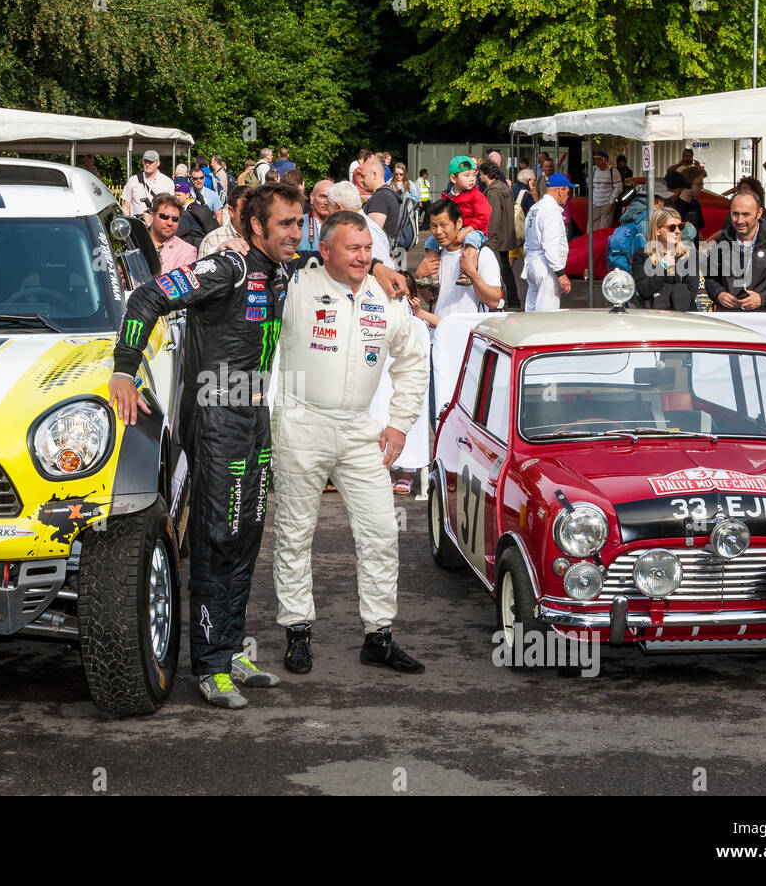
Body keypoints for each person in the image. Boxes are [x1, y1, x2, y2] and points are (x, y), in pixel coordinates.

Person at [109, 183, 304, 709]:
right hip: (215, 419)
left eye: (299, 222)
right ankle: (209, 666)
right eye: (285, 224)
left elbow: (335, 254)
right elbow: (146, 296)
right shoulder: (227, 267)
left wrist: (379, 269)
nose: (295, 232)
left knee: (246, 535)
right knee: (216, 538)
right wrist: (123, 371)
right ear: (256, 227)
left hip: (255, 415)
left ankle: (229, 649)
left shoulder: (282, 271)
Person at [272, 210, 428, 676]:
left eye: (367, 249)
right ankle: (296, 631)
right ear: (324, 252)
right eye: (352, 249)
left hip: (361, 429)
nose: (362, 257)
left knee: (382, 532)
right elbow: (272, 254)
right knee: (295, 533)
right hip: (301, 424)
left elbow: (412, 361)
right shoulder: (297, 284)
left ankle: (378, 636)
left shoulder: (388, 295)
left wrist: (399, 423)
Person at [703, 192, 766, 312]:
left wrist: (762, 299)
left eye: (746, 215)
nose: (740, 220)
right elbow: (710, 279)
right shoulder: (723, 240)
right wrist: (719, 294)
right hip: (732, 321)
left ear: (759, 213)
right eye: (735, 214)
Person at [412, 199, 504, 325]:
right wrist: (419, 278)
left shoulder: (481, 254)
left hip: (470, 337)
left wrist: (472, 273)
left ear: (459, 223)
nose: (438, 232)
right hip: (441, 334)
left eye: (444, 225)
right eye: (434, 226)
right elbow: (434, 300)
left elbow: (494, 301)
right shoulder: (435, 255)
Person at [523, 174, 573, 311]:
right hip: (546, 266)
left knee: (532, 309)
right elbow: (550, 245)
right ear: (560, 190)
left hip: (533, 262)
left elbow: (527, 240)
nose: (568, 196)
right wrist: (560, 273)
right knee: (547, 313)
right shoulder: (551, 210)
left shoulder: (536, 207)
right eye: (567, 192)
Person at [630, 207, 696, 310]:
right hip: (654, 319)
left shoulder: (688, 255)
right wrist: (662, 267)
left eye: (681, 226)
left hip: (684, 317)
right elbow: (644, 291)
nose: (678, 231)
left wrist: (659, 294)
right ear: (657, 230)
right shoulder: (642, 255)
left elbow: (691, 293)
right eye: (672, 227)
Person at [477, 159, 520, 307]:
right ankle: (513, 300)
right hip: (506, 236)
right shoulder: (503, 187)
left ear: (487, 175)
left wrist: (488, 240)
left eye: (481, 174)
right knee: (505, 269)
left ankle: (509, 300)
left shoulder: (493, 192)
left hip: (496, 238)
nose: (479, 177)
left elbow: (493, 218)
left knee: (500, 270)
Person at [328, 180, 393, 269]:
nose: (328, 214)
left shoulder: (365, 230)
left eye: (329, 207)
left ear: (338, 207)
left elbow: (386, 270)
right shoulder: (366, 226)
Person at [146, 192, 197, 271]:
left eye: (175, 219)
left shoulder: (187, 252)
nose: (170, 223)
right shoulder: (133, 242)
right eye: (164, 217)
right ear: (152, 216)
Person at [443, 156, 491, 234]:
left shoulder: (477, 196)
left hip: (473, 230)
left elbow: (483, 217)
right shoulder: (446, 196)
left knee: (470, 240)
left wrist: (466, 231)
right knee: (431, 241)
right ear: (453, 178)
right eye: (467, 175)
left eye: (474, 175)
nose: (472, 179)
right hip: (452, 229)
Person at [361, 155, 401, 245]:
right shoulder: (389, 193)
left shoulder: (380, 197)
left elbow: (373, 233)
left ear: (374, 175)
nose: (361, 181)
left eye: (363, 176)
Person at [199, 185, 249, 258]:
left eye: (254, 211)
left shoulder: (263, 237)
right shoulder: (212, 240)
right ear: (231, 211)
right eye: (244, 212)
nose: (250, 216)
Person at [121, 150, 174, 216]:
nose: (147, 164)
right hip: (137, 223)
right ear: (142, 162)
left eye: (151, 162)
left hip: (158, 224)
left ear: (158, 163)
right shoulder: (133, 180)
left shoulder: (167, 182)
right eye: (145, 161)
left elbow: (171, 208)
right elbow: (126, 206)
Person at [176, 182, 219, 248]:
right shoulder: (195, 203)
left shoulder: (189, 211)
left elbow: (178, 233)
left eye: (179, 195)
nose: (176, 197)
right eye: (175, 195)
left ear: (187, 195)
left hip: (198, 245)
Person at [665, 166, 706, 234]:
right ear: (688, 184)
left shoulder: (696, 204)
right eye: (699, 184)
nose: (701, 187)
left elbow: (697, 230)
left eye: (702, 184)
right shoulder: (673, 205)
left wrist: (703, 243)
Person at [589, 149, 623, 231]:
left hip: (607, 203)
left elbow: (619, 188)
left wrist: (611, 201)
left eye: (599, 159)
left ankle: (601, 244)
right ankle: (591, 244)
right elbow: (590, 184)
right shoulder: (593, 169)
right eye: (595, 159)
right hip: (594, 203)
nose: (596, 161)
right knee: (591, 229)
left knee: (603, 229)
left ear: (605, 160)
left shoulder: (613, 171)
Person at [299, 179, 333, 253]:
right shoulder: (299, 224)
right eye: (323, 197)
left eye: (330, 198)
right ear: (312, 197)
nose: (326, 202)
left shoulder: (340, 226)